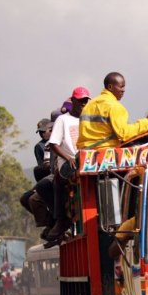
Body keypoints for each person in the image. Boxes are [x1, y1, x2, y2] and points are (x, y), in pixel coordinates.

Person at [45, 86, 91, 242]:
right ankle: (61, 220)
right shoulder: (63, 120)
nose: (83, 104)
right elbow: (53, 144)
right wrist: (69, 157)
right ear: (74, 101)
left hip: (87, 161)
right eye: (81, 101)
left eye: (86, 101)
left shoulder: (89, 119)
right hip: (68, 161)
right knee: (63, 177)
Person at [77, 72, 148, 149]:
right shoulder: (114, 106)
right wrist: (147, 123)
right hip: (105, 154)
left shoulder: (89, 104)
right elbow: (124, 134)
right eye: (121, 86)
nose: (123, 90)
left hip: (85, 154)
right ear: (110, 87)